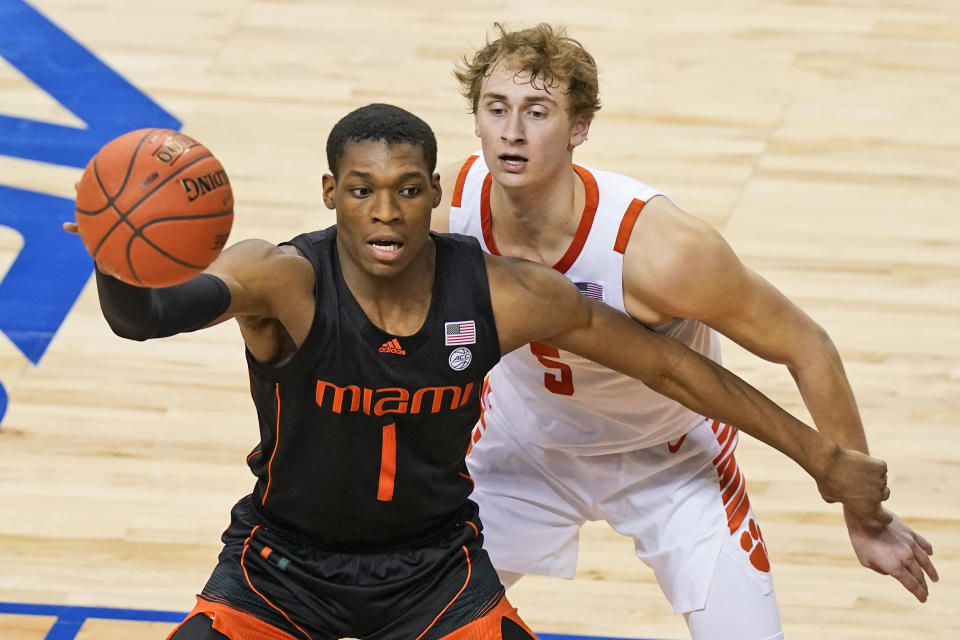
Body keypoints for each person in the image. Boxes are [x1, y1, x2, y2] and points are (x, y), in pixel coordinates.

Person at [68, 104, 888, 640]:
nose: (384, 212)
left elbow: (671, 368)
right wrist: (115, 251)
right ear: (331, 192)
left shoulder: (505, 293)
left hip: (435, 575)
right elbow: (142, 318)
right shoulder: (283, 278)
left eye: (406, 190)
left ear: (438, 194)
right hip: (280, 569)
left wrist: (820, 456)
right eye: (361, 191)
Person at [433, 23, 939, 640]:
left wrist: (865, 514)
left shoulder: (660, 250)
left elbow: (807, 346)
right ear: (477, 118)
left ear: (579, 128)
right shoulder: (447, 208)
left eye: (537, 112)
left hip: (669, 459)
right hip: (522, 449)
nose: (512, 131)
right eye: (497, 109)